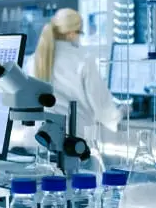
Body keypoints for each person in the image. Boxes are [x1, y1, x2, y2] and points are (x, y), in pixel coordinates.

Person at [29, 8, 123, 140]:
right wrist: (119, 117)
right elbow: (101, 103)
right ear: (71, 34)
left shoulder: (34, 59)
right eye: (80, 33)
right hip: (76, 140)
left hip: (41, 139)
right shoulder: (83, 59)